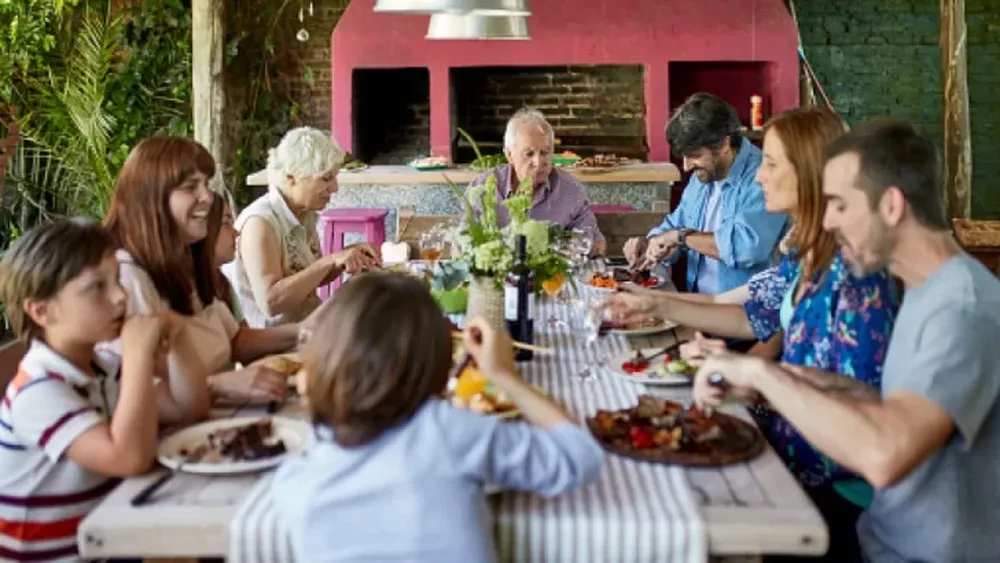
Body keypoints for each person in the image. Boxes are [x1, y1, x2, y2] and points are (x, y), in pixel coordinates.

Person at [693, 118, 1000, 563]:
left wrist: (762, 372)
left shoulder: (961, 308)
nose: (828, 219)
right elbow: (886, 399)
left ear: (891, 206)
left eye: (838, 204)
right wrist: (770, 383)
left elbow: (883, 453)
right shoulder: (926, 287)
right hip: (878, 536)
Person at [606, 107, 898, 561]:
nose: (760, 174)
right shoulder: (804, 256)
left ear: (811, 171)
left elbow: (859, 407)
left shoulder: (857, 275)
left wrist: (755, 379)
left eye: (772, 163)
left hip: (833, 493)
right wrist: (651, 302)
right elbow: (748, 316)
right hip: (792, 451)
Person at [272, 273, 604, 562]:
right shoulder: (448, 431)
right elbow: (580, 457)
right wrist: (503, 374)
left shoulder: (293, 481)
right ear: (437, 359)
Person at [0, 219, 175, 561]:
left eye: (117, 281)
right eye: (97, 287)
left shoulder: (102, 368)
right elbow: (129, 459)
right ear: (41, 311)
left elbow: (187, 408)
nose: (121, 296)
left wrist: (176, 335)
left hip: (109, 544)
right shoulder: (36, 390)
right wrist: (138, 353)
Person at [103, 136, 297, 409]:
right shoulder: (128, 278)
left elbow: (233, 339)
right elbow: (125, 395)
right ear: (152, 196)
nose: (207, 196)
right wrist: (219, 385)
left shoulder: (183, 261)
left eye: (205, 183)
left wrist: (304, 331)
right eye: (190, 186)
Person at [623, 92, 788, 294]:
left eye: (694, 156)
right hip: (702, 308)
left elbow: (746, 248)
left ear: (724, 145)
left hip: (747, 317)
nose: (685, 167)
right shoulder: (705, 175)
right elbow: (676, 224)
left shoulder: (763, 177)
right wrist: (651, 242)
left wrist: (680, 238)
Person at [233, 127, 380, 328]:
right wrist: (330, 261)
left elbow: (310, 280)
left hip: (310, 327)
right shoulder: (260, 222)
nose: (335, 188)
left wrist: (344, 257)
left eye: (335, 177)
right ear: (291, 177)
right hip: (277, 346)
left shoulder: (304, 213)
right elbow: (271, 302)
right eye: (326, 178)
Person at [469, 108, 606, 255]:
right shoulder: (483, 187)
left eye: (545, 152)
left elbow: (598, 245)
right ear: (509, 155)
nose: (538, 162)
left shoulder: (570, 190)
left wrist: (567, 246)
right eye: (529, 153)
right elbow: (460, 245)